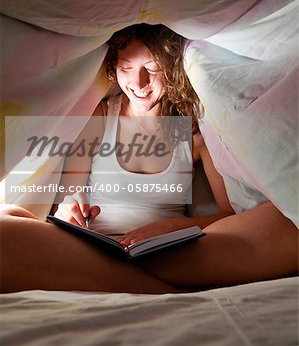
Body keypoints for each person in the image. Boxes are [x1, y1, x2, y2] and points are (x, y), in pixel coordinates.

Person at [0, 24, 297, 293]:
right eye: (126, 68)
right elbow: (68, 197)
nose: (138, 82)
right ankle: (164, 290)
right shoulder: (102, 115)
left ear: (171, 69)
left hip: (168, 251)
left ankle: (125, 280)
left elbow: (228, 215)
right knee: (5, 221)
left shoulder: (192, 131)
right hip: (96, 246)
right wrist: (69, 209)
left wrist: (170, 229)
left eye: (151, 68)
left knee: (284, 221)